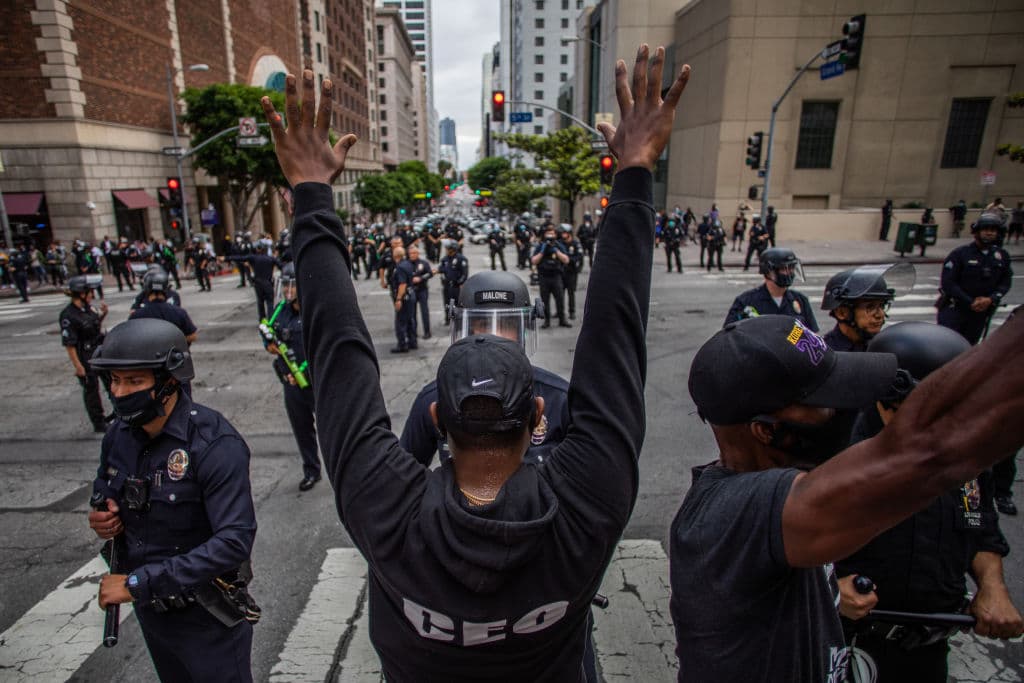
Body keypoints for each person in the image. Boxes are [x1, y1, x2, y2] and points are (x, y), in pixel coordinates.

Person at [261, 46, 689, 681]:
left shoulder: (388, 514)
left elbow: (338, 357)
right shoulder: (586, 505)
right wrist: (634, 172)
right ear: (539, 415)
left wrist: (310, 193)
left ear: (437, 418)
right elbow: (616, 338)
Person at [671, 308, 1024, 683]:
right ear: (766, 431)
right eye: (828, 400)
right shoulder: (734, 515)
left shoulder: (769, 487)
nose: (844, 412)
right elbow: (929, 456)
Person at [836, 321, 1022, 682]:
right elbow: (786, 547)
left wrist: (992, 586)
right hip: (852, 643)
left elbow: (979, 525)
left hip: (929, 646)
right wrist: (830, 589)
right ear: (890, 404)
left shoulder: (965, 456)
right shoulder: (837, 457)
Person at [87, 318, 258, 682]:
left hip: (206, 616)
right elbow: (106, 488)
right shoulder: (118, 435)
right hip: (153, 613)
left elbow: (233, 543)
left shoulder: (214, 444)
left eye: (134, 381)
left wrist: (137, 584)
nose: (119, 392)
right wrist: (104, 516)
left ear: (169, 381)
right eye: (114, 380)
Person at [400, 271, 567, 469]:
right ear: (465, 330)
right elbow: (404, 476)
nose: (493, 337)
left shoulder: (558, 398)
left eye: (507, 325)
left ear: (523, 331)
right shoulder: (435, 397)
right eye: (482, 325)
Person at [263, 263, 320, 491]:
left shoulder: (314, 310)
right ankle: (311, 469)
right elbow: (269, 336)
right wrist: (269, 345)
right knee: (301, 428)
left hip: (315, 381)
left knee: (330, 429)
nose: (288, 290)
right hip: (291, 381)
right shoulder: (280, 311)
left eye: (293, 285)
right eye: (285, 285)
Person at [936, 212, 1012, 345]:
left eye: (993, 230)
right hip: (956, 309)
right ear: (977, 231)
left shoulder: (1001, 255)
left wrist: (991, 299)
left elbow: (1005, 282)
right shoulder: (960, 254)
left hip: (980, 313)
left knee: (970, 347)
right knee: (947, 346)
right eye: (985, 229)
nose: (989, 233)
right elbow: (948, 283)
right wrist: (970, 301)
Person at [821, 263, 913, 352]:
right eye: (870, 307)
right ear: (841, 313)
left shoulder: (886, 347)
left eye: (882, 306)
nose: (880, 315)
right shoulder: (825, 353)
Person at [60, 275, 108, 433]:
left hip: (99, 351)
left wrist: (103, 314)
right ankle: (99, 422)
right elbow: (70, 344)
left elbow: (93, 326)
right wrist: (78, 366)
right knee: (91, 390)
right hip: (86, 356)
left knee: (111, 384)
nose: (92, 295)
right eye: (89, 292)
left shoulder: (88, 309)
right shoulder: (68, 315)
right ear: (81, 293)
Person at [725, 247, 817, 330]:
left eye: (792, 268)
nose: (790, 273)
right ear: (769, 271)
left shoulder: (800, 300)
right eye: (784, 269)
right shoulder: (746, 302)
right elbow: (729, 336)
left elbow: (812, 337)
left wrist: (792, 338)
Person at [131, 269, 198, 345]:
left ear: (146, 289)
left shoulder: (137, 315)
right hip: (174, 351)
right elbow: (192, 336)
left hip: (147, 352)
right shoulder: (179, 312)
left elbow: (129, 337)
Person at [532, 225, 571, 328]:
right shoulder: (541, 245)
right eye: (548, 233)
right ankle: (547, 321)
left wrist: (556, 251)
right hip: (544, 277)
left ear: (555, 235)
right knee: (545, 300)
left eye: (552, 233)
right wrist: (542, 251)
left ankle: (562, 320)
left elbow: (566, 260)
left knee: (560, 299)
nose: (550, 235)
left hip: (556, 276)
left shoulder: (558, 245)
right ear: (544, 235)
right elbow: (534, 261)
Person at [227, 250, 280, 321]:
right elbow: (281, 265)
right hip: (268, 283)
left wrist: (226, 258)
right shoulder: (270, 258)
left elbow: (240, 258)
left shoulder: (253, 258)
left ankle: (262, 319)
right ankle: (271, 319)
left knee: (260, 302)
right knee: (270, 302)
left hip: (258, 283)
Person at [389, 245, 417, 353]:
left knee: (400, 322)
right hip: (411, 295)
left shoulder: (400, 267)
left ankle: (402, 345)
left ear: (395, 255)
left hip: (404, 297)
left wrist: (399, 299)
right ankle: (412, 341)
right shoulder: (408, 264)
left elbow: (402, 284)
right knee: (410, 320)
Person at [438, 240, 469, 325]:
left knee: (457, 303)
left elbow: (464, 274)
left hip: (456, 286)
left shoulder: (461, 259)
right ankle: (449, 319)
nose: (446, 250)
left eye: (447, 248)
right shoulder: (445, 259)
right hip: (447, 286)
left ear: (453, 249)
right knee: (447, 303)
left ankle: (459, 321)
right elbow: (440, 269)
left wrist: (459, 283)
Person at [407, 245, 434, 340]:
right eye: (410, 253)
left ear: (418, 253)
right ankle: (413, 332)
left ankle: (427, 332)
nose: (412, 255)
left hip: (422, 289)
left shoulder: (423, 263)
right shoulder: (406, 264)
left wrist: (421, 278)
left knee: (424, 311)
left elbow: (430, 273)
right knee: (412, 313)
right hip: (412, 290)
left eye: (414, 253)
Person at [560, 225, 585, 319]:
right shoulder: (560, 243)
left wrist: (569, 260)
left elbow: (579, 256)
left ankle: (572, 311)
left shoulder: (575, 243)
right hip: (561, 272)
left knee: (571, 293)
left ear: (569, 233)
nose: (562, 234)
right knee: (560, 293)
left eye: (564, 233)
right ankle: (560, 311)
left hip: (571, 272)